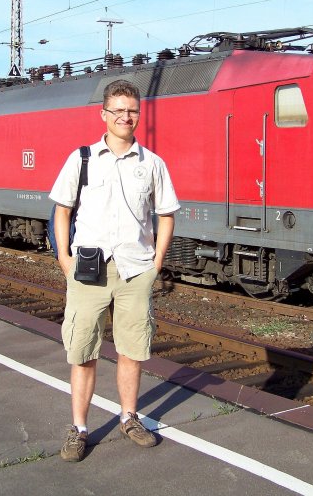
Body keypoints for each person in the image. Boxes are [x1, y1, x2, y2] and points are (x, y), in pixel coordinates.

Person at [49, 79, 180, 463]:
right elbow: (62, 211)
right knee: (83, 351)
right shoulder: (82, 158)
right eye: (118, 110)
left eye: (132, 110)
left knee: (132, 350)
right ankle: (79, 428)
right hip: (88, 270)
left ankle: (129, 417)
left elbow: (166, 215)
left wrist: (156, 263)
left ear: (139, 114)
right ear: (104, 114)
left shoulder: (152, 163)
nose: (126, 116)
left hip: (135, 271)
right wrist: (64, 259)